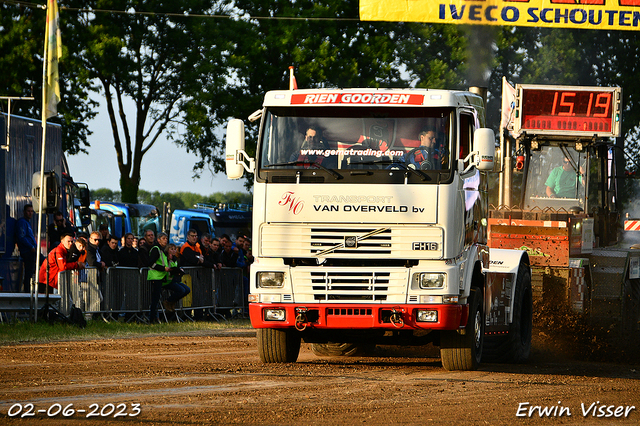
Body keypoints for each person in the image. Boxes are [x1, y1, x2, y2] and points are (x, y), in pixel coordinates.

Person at [148, 233, 190, 322]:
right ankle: (151, 319)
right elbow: (151, 263)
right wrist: (164, 268)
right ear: (158, 239)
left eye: (166, 238)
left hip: (163, 277)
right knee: (155, 300)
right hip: (156, 277)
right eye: (163, 238)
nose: (165, 240)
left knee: (157, 299)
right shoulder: (156, 249)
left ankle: (159, 314)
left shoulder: (162, 251)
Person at [15, 204, 37, 293]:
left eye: (32, 211)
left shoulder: (27, 222)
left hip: (31, 250)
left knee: (31, 270)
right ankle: (27, 290)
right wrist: (31, 246)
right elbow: (22, 237)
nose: (30, 213)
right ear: (24, 212)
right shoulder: (22, 222)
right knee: (29, 271)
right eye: (28, 211)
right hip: (27, 251)